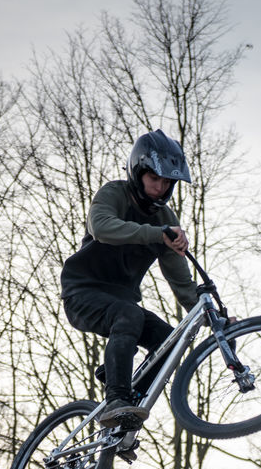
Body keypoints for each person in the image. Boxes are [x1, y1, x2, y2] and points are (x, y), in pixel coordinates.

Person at [61, 129, 198, 428]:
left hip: (121, 301)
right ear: (138, 172)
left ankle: (124, 409)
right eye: (154, 179)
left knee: (170, 342)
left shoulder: (166, 220)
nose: (160, 189)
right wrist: (156, 235)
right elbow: (102, 227)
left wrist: (214, 317)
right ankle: (116, 397)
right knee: (129, 315)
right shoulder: (115, 193)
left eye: (167, 183)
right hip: (82, 293)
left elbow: (182, 282)